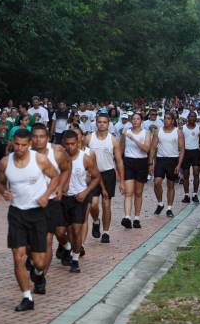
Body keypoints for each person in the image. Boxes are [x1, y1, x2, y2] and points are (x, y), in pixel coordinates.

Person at [0, 129, 60, 312]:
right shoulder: (5, 162)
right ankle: (27, 297)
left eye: (24, 145)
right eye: (17, 144)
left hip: (38, 212)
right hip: (16, 214)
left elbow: (55, 176)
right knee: (18, 258)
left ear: (29, 144)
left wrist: (47, 195)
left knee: (39, 262)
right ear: (12, 143)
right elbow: (0, 182)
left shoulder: (39, 160)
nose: (20, 148)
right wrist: (3, 191)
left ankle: (39, 275)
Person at [30, 123, 71, 285]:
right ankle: (38, 270)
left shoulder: (57, 152)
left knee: (56, 234)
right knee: (33, 242)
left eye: (42, 137)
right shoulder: (25, 152)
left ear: (47, 138)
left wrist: (61, 187)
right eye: (35, 136)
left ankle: (41, 276)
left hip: (52, 200)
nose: (38, 140)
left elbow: (66, 168)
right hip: (32, 203)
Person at [60, 130, 100, 273]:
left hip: (79, 198)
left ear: (78, 143)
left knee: (76, 230)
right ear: (63, 144)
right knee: (61, 232)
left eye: (73, 144)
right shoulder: (59, 158)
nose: (70, 147)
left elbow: (96, 177)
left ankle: (75, 259)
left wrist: (85, 192)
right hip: (63, 199)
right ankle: (68, 248)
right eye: (67, 144)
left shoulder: (86, 158)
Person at [85, 112, 124, 243]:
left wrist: (122, 181)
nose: (102, 124)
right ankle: (96, 221)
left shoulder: (113, 140)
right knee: (93, 205)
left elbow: (118, 160)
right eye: (99, 122)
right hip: (92, 175)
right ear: (96, 123)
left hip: (108, 174)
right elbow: (82, 157)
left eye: (104, 122)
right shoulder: (89, 138)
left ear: (108, 124)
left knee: (106, 204)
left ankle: (106, 232)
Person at [150, 112, 184, 217]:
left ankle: (169, 208)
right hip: (160, 160)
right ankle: (160, 203)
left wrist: (179, 165)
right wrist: (150, 162)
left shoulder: (178, 132)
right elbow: (152, 148)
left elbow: (182, 149)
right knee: (157, 182)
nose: (166, 120)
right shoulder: (158, 132)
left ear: (173, 120)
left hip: (173, 160)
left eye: (168, 118)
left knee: (170, 185)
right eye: (165, 118)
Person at [120, 112, 150, 229]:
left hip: (141, 162)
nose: (135, 121)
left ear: (141, 121)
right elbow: (121, 148)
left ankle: (136, 218)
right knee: (128, 192)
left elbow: (146, 149)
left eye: (138, 119)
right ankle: (127, 217)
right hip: (128, 162)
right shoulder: (125, 132)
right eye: (133, 119)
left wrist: (133, 139)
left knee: (138, 193)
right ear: (130, 120)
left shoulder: (146, 133)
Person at [181, 111, 200, 203]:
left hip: (195, 152)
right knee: (186, 175)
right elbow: (179, 143)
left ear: (196, 118)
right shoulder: (182, 128)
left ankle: (195, 194)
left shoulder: (199, 128)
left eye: (194, 116)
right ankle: (186, 195)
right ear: (188, 117)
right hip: (185, 152)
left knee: (196, 174)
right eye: (191, 116)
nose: (192, 118)